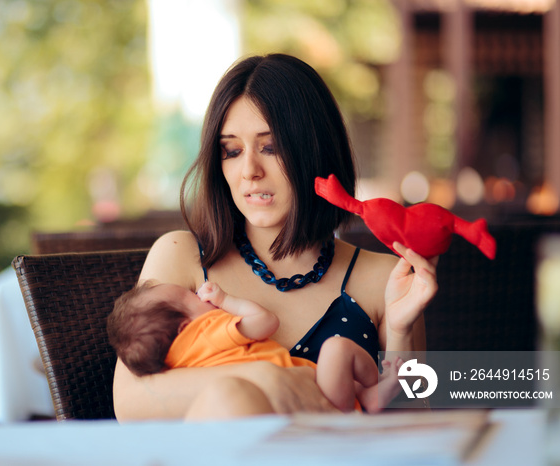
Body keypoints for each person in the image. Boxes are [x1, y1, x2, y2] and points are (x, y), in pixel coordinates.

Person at [112, 53, 437, 421]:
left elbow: (412, 421)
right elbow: (131, 401)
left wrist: (401, 330)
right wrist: (262, 377)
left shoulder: (384, 278)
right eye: (232, 151)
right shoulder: (182, 257)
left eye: (271, 147)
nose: (249, 170)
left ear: (314, 149)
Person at [108, 280, 404, 416]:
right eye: (190, 295)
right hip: (325, 403)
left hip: (286, 423)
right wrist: (225, 300)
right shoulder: (208, 330)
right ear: (186, 327)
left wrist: (401, 327)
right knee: (336, 348)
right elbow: (265, 322)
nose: (199, 293)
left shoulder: (173, 361)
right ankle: (372, 391)